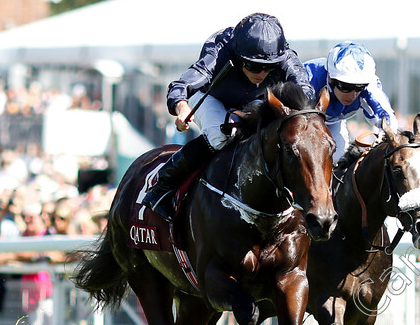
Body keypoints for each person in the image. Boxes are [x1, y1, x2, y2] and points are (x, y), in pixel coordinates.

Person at [143, 12, 314, 221]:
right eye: (253, 65)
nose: (261, 73)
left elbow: (305, 90)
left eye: (268, 67)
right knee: (219, 135)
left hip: (251, 102)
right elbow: (181, 85)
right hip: (209, 97)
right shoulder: (220, 50)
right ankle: (162, 187)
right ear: (239, 56)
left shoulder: (284, 56)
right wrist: (181, 107)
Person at [304, 41, 398, 160]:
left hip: (333, 122)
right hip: (302, 123)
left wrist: (384, 136)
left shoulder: (369, 87)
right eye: (346, 87)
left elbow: (388, 117)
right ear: (330, 78)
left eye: (359, 87)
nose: (353, 94)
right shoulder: (308, 80)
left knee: (337, 158)